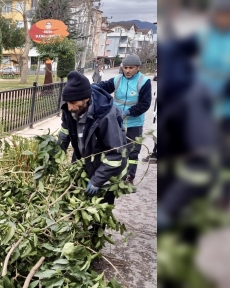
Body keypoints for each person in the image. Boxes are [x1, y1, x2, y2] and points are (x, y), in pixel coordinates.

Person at [183, 0, 230, 209]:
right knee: (201, 152)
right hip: (203, 109)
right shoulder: (204, 36)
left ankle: (225, 198)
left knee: (229, 156)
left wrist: (223, 93)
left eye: (229, 14)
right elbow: (180, 54)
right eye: (220, 14)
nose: (224, 18)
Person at [57, 71, 128, 241]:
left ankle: (94, 241)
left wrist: (97, 180)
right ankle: (76, 235)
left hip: (108, 167)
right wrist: (55, 153)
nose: (70, 107)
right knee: (77, 200)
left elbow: (115, 154)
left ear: (86, 99)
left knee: (101, 207)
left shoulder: (105, 115)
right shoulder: (70, 109)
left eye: (73, 102)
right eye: (67, 102)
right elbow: (65, 133)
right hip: (84, 157)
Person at [93, 54, 152, 191]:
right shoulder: (118, 80)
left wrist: (128, 112)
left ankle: (129, 177)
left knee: (132, 152)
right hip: (116, 122)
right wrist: (92, 87)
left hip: (134, 123)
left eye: (131, 68)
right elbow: (103, 87)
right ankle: (115, 175)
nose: (128, 70)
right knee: (115, 148)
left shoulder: (144, 82)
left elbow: (145, 104)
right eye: (125, 67)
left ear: (137, 68)